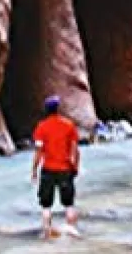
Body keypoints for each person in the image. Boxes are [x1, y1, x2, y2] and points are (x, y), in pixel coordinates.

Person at [31, 95, 81, 239]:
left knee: (46, 205)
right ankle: (71, 231)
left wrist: (34, 170)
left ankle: (47, 232)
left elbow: (38, 151)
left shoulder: (41, 127)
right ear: (58, 108)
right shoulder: (69, 125)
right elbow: (75, 150)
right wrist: (75, 166)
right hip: (65, 169)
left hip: (48, 169)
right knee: (69, 204)